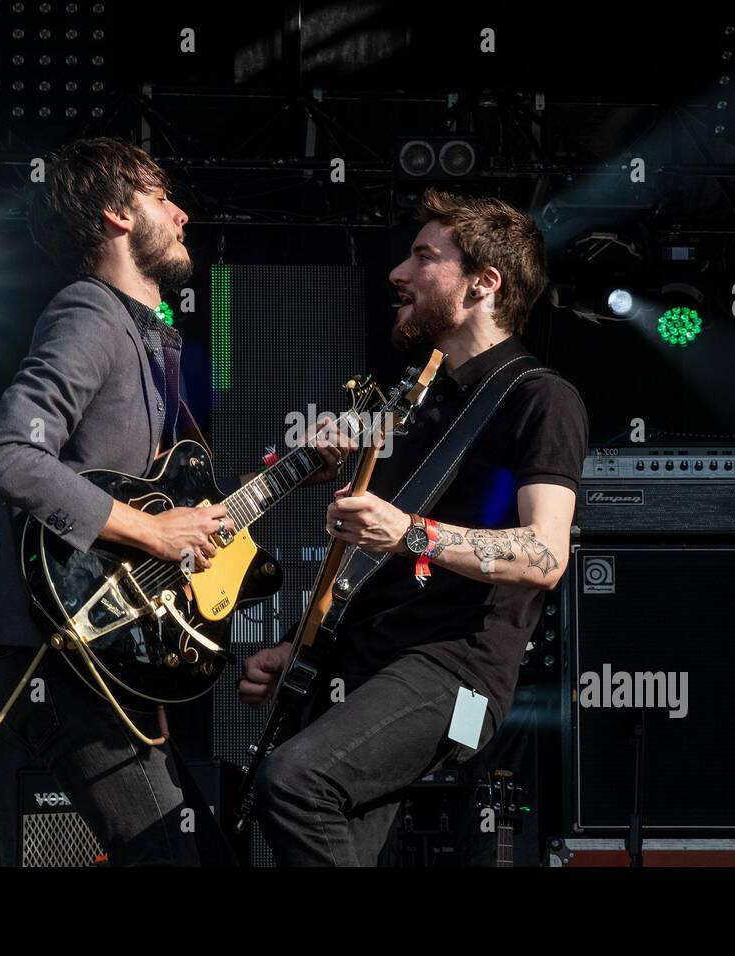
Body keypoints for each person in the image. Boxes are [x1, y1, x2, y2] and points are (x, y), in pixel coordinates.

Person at [0, 136, 345, 865]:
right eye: (160, 196)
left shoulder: (148, 338)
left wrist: (294, 472)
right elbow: (9, 457)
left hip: (111, 644)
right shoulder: (89, 313)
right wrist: (154, 533)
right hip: (57, 643)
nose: (182, 212)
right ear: (115, 215)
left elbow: (178, 509)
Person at [239, 188, 589, 866]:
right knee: (310, 823)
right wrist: (303, 646)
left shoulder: (541, 398)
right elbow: (379, 572)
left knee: (295, 782)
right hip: (372, 665)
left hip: (459, 680)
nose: (398, 273)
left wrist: (410, 532)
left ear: (484, 282)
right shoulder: (416, 405)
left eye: (424, 257)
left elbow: (545, 555)